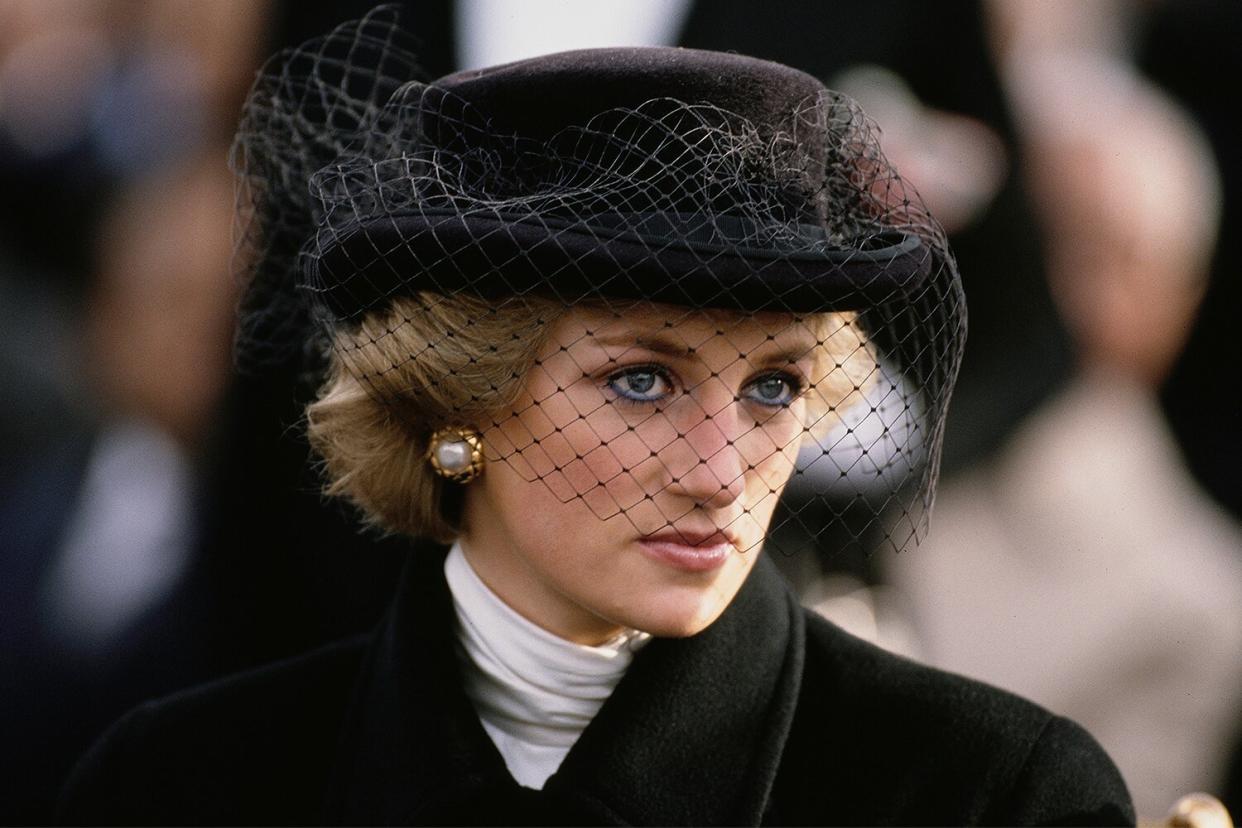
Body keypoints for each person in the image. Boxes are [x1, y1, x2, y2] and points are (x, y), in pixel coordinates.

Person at [58, 8, 1132, 825]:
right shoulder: (175, 782)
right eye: (641, 381)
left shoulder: (989, 796)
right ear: (454, 401)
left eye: (774, 387)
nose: (723, 472)